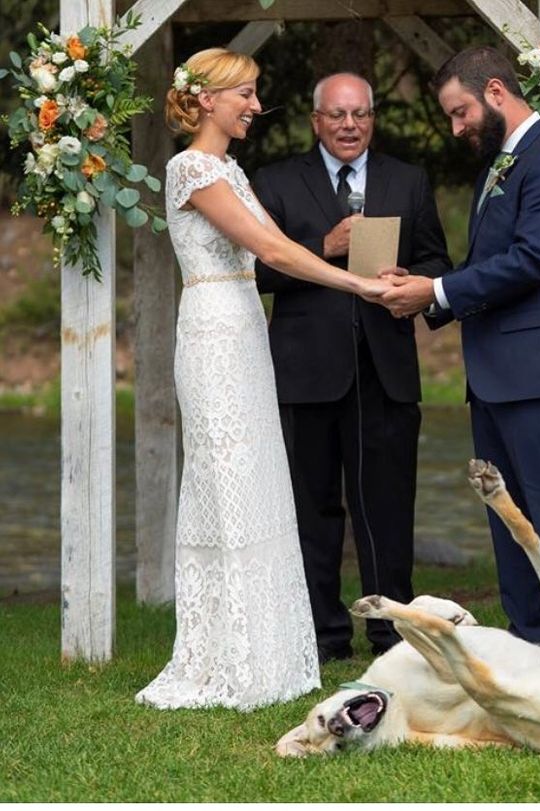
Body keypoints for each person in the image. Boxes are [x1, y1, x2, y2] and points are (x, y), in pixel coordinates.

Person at [135, 49, 391, 711]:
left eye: (255, 93)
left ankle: (267, 647)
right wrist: (359, 282)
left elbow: (282, 243)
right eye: (245, 94)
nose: (254, 105)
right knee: (226, 480)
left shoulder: (229, 167)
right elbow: (274, 252)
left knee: (257, 479)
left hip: (248, 327)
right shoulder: (190, 167)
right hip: (214, 330)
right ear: (210, 99)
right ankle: (226, 653)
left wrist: (353, 258)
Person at [380, 47, 540, 645]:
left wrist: (438, 289)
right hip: (497, 376)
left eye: (460, 112)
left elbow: (531, 261)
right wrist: (425, 291)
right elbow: (488, 265)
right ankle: (532, 642)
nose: (456, 128)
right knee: (509, 519)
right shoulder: (500, 165)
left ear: (496, 92)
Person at [253, 73, 451, 663]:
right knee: (313, 511)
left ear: (373, 119)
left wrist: (409, 280)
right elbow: (258, 274)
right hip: (306, 374)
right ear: (316, 120)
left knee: (386, 509)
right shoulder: (277, 182)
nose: (349, 125)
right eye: (337, 115)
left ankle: (394, 635)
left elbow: (437, 259)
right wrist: (323, 248)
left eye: (360, 114)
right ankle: (322, 635)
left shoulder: (408, 181)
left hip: (385, 371)